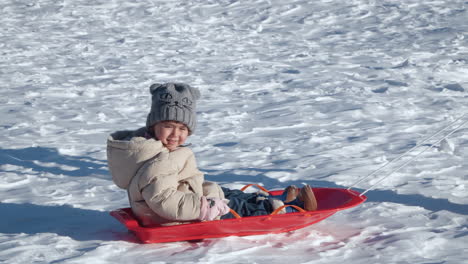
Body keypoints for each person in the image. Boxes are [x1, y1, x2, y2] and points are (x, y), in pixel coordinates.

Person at [107, 82, 317, 226]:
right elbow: (163, 200)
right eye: (168, 126)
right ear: (154, 126)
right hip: (173, 216)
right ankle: (285, 211)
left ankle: (273, 200)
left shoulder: (156, 150)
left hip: (181, 203)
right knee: (231, 206)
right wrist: (205, 207)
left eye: (183, 129)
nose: (175, 135)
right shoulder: (160, 161)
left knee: (224, 192)